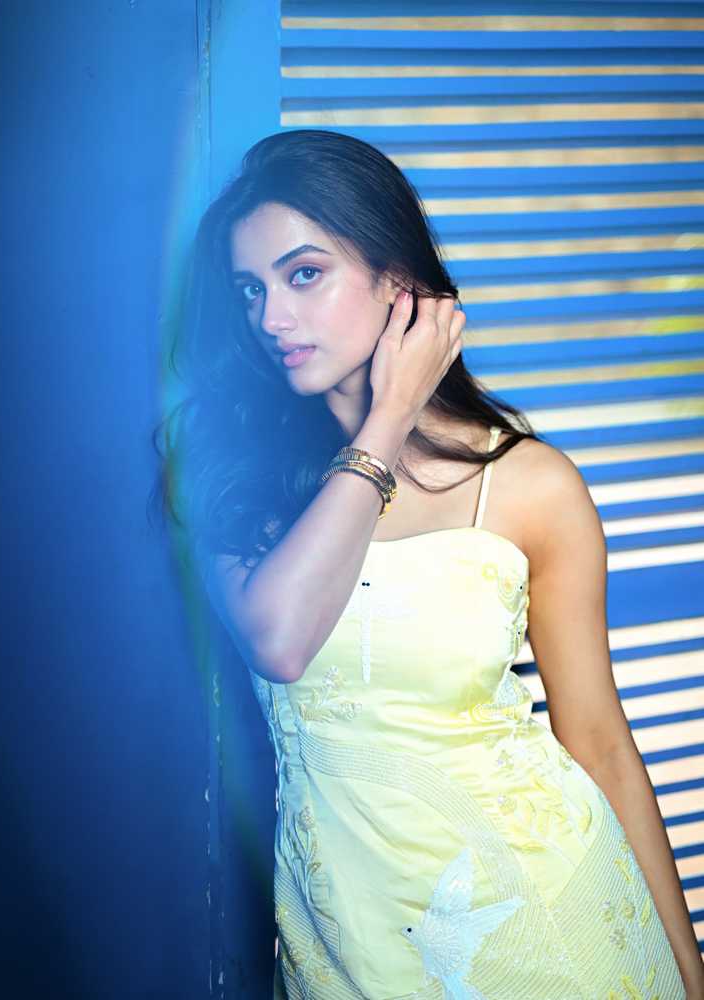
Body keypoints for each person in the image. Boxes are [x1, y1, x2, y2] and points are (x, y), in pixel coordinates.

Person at [161, 129, 703, 998]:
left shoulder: (530, 485)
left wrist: (688, 969)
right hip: (349, 950)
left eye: (305, 275)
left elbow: (599, 742)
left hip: (552, 920)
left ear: (397, 279)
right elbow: (281, 639)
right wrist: (388, 418)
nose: (271, 318)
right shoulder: (232, 476)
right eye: (251, 289)